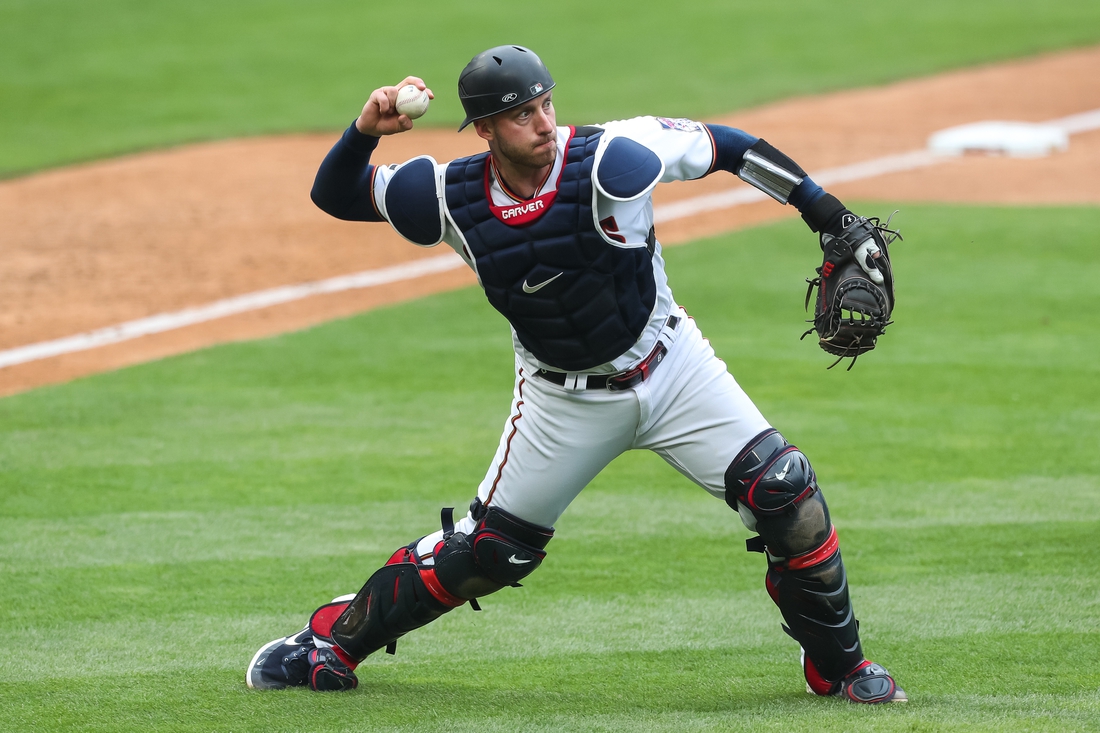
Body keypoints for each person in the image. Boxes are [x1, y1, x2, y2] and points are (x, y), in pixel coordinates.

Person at [246, 45, 905, 704]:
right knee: (489, 553)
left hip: (674, 367)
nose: (542, 123)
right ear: (485, 130)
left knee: (787, 494)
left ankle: (840, 665)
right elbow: (332, 194)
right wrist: (366, 130)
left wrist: (831, 219)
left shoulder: (617, 156)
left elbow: (727, 145)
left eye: (544, 104)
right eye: (520, 115)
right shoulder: (445, 195)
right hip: (561, 400)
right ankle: (328, 641)